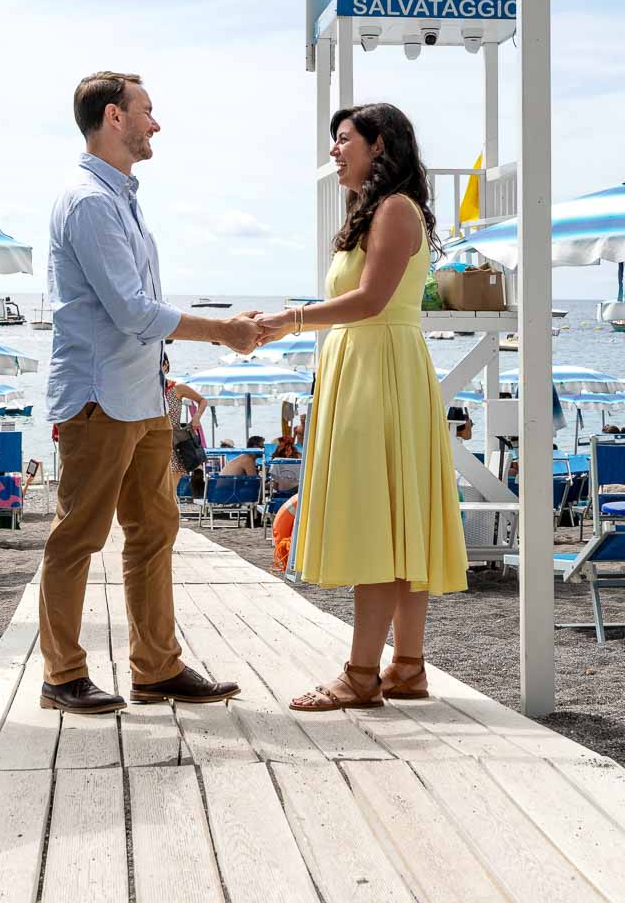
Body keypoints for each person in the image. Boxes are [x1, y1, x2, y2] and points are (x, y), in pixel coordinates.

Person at [41, 70, 262, 716]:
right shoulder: (89, 201)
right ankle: (63, 676)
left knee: (155, 530)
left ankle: (156, 669)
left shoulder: (121, 198)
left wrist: (166, 377)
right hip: (99, 398)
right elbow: (134, 311)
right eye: (147, 110)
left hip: (141, 395)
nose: (155, 123)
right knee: (79, 536)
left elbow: (138, 316)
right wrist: (222, 330)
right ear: (115, 116)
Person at [256, 102, 468, 711]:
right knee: (394, 515)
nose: (334, 150)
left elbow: (372, 300)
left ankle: (360, 674)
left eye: (344, 139)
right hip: (370, 367)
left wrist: (287, 320)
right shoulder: (372, 211)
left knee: (380, 518)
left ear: (379, 146)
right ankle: (406, 667)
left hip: (381, 371)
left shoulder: (396, 210)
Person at [162, 353, 208, 490]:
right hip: (153, 440)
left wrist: (196, 417)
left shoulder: (178, 388)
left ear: (166, 365)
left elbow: (202, 400)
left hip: (174, 443)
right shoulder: (148, 390)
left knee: (170, 492)